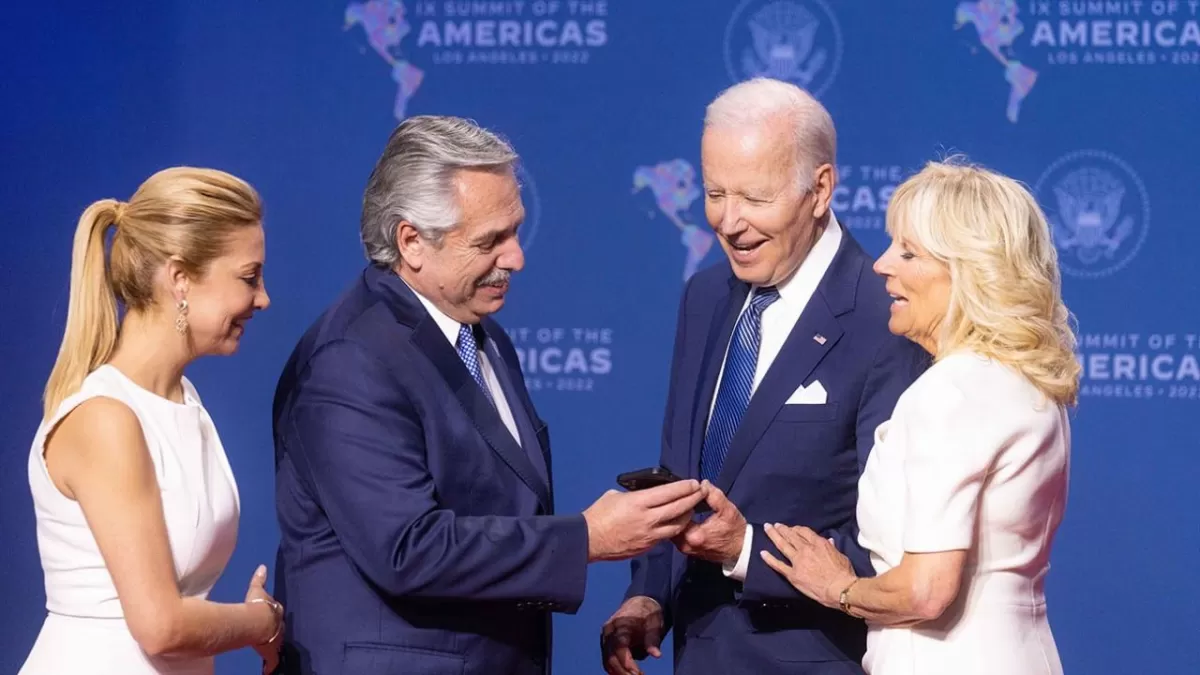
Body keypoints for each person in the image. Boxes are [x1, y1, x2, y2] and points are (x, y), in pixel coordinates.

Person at [271, 115, 707, 675]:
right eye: (489, 241)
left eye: (515, 231)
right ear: (411, 242)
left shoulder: (482, 336)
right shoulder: (350, 360)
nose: (516, 258)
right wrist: (586, 539)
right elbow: (409, 549)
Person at [601, 78, 929, 675]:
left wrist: (746, 550)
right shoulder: (705, 295)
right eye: (715, 193)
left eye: (755, 197)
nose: (729, 222)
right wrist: (649, 594)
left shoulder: (889, 318)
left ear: (820, 189)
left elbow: (905, 550)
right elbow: (682, 478)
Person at [757, 159, 1079, 675]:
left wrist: (837, 587)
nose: (882, 265)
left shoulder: (950, 392)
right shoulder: (1026, 383)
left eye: (908, 252)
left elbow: (926, 591)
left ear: (969, 271)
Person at [20, 167, 283, 675]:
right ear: (179, 278)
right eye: (249, 277)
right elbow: (161, 627)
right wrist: (262, 622)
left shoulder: (183, 399)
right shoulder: (105, 419)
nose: (263, 298)